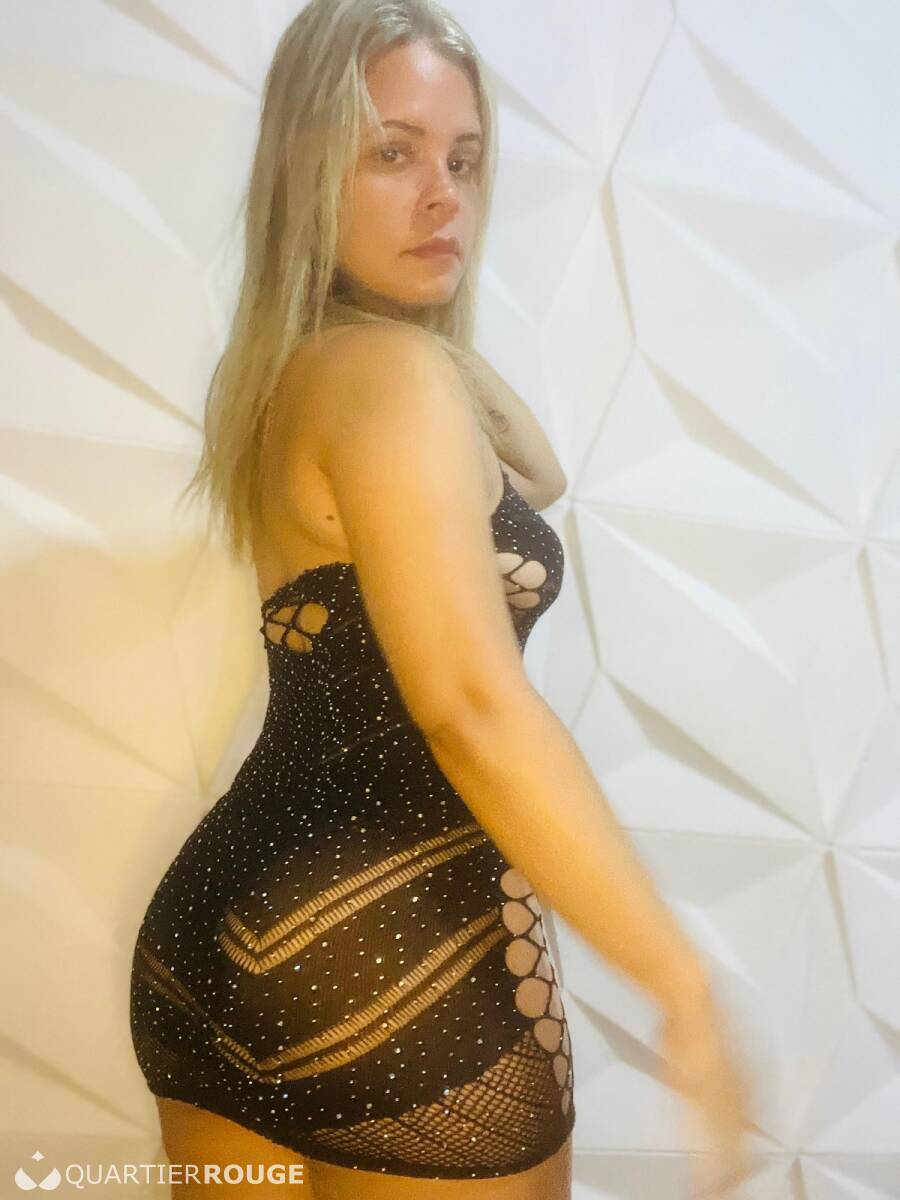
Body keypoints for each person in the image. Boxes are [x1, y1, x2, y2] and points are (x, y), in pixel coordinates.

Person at [128, 1, 756, 1197]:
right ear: (307, 167)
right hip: (405, 957)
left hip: (211, 939)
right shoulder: (391, 378)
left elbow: (538, 474)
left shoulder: (298, 376)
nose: (443, 198)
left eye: (465, 162)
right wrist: (682, 987)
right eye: (393, 152)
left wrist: (434, 337)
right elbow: (469, 703)